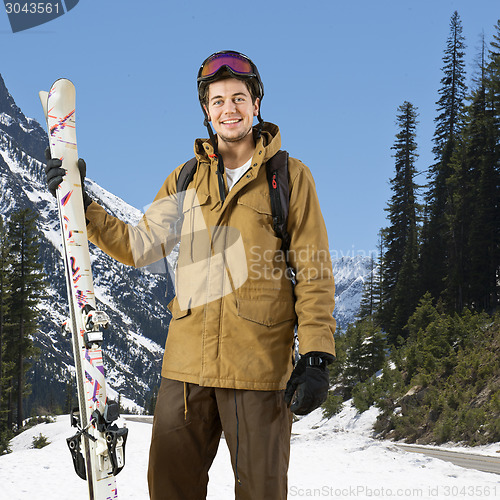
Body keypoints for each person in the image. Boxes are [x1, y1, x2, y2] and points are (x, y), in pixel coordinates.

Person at [45, 50, 336, 500]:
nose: (229, 109)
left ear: (256, 104)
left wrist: (316, 354)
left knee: (262, 492)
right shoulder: (186, 179)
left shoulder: (290, 179)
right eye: (217, 100)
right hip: (185, 371)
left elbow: (314, 270)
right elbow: (138, 245)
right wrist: (82, 206)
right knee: (169, 489)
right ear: (206, 110)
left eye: (238, 97)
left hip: (257, 370)